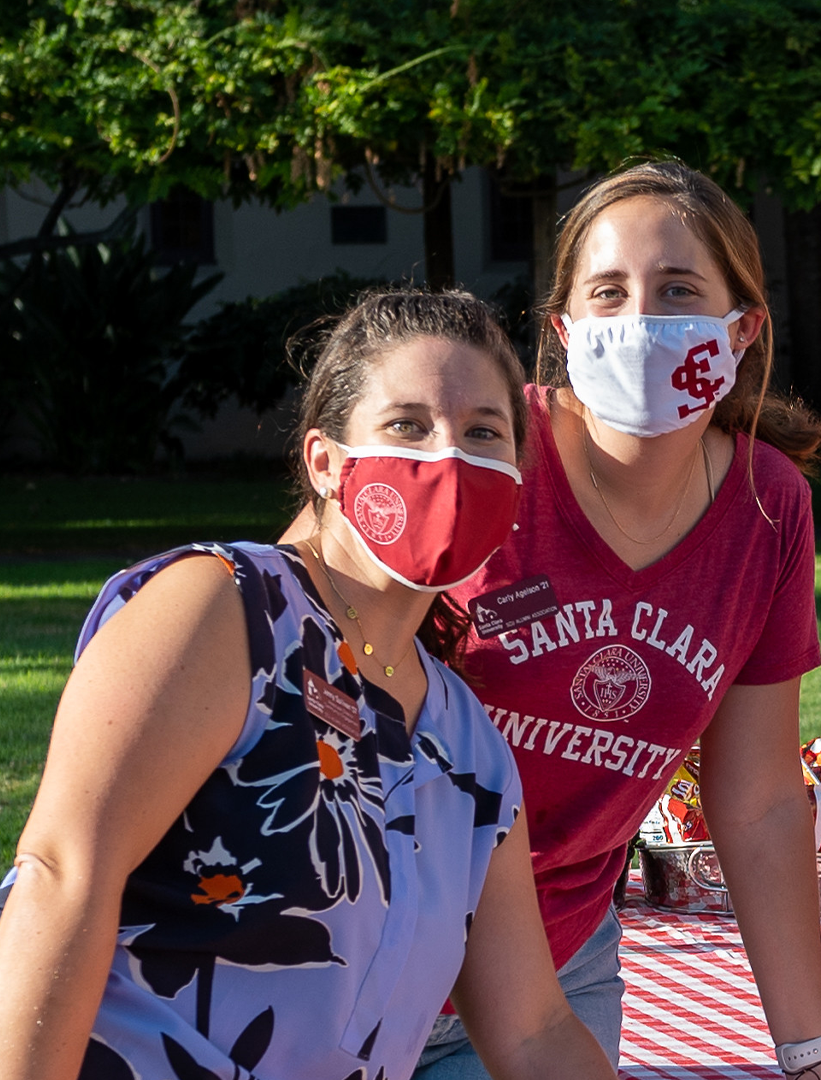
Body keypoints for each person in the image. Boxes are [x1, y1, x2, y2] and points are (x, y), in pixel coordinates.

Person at [0, 290, 616, 1080]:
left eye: (482, 433)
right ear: (325, 463)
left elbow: (533, 1029)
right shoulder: (225, 608)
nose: (448, 460)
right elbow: (61, 876)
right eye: (407, 425)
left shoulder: (470, 749)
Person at [404, 162, 821, 1080]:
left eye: (676, 291)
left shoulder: (767, 504)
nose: (639, 322)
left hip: (550, 975)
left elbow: (754, 801)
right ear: (563, 331)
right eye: (608, 293)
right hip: (369, 947)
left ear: (742, 329)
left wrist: (813, 1058)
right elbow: (295, 635)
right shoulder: (478, 450)